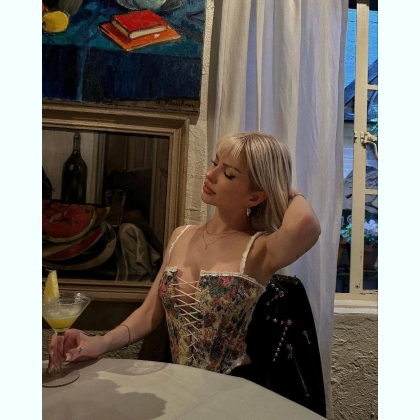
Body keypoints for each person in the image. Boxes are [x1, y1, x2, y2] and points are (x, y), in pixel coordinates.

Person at [47, 131, 321, 375]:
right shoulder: (181, 235)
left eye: (228, 174)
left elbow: (306, 224)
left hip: (231, 388)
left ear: (255, 197)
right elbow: (149, 313)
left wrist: (285, 192)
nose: (210, 174)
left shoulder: (260, 249)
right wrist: (100, 342)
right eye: (214, 162)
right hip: (177, 381)